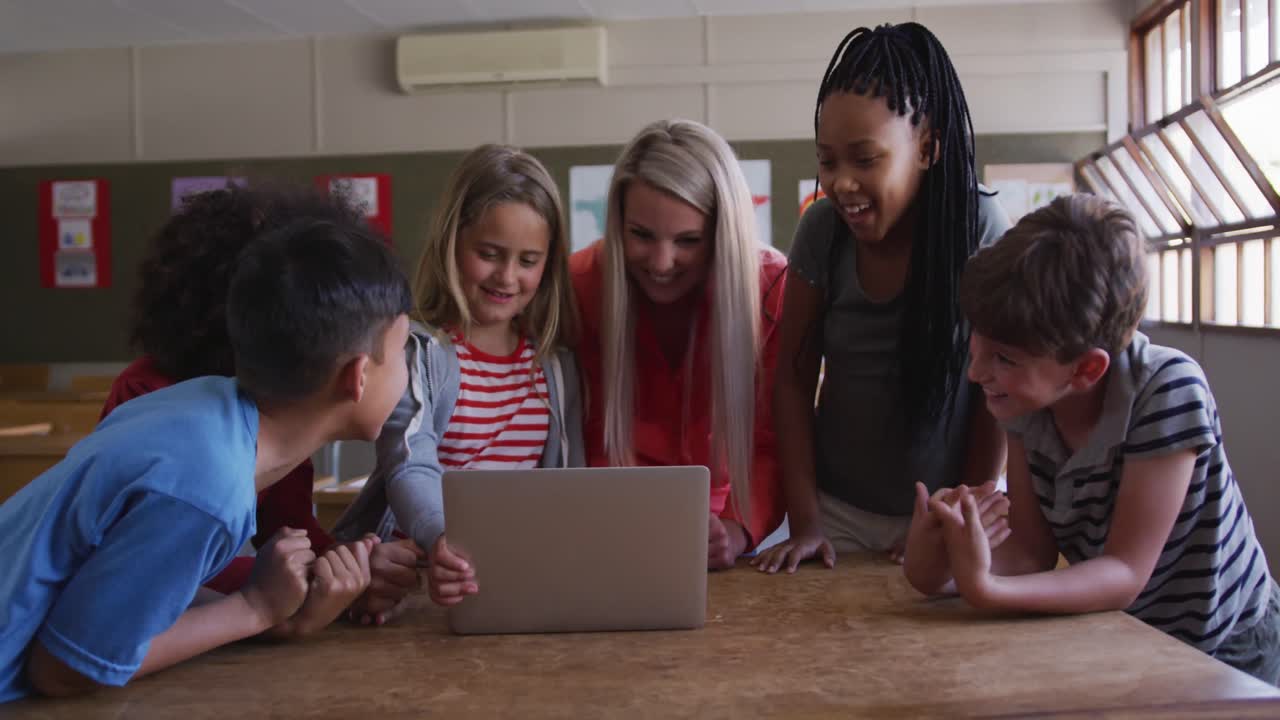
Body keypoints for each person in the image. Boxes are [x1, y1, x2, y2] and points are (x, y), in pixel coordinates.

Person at [0, 216, 413, 702]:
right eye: (404, 349)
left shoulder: (201, 408)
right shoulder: (207, 487)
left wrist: (275, 615)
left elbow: (121, 591)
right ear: (358, 376)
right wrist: (254, 608)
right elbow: (66, 669)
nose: (409, 369)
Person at [912, 194, 1279, 685]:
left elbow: (1124, 572)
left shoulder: (1165, 391)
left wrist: (987, 590)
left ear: (1086, 369)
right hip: (1130, 638)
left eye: (1004, 358)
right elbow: (1030, 551)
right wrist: (939, 562)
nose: (977, 372)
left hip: (1228, 649)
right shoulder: (1026, 401)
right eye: (978, 343)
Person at [754, 23, 1011, 573]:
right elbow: (794, 382)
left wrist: (958, 509)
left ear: (928, 148)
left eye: (865, 160)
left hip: (949, 506)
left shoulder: (979, 227)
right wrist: (806, 523)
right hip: (835, 512)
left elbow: (999, 393)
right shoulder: (822, 231)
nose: (842, 183)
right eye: (828, 161)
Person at [102, 185, 422, 627]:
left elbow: (289, 530)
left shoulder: (286, 408)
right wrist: (275, 597)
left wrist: (349, 570)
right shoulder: (161, 407)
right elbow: (138, 580)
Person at [331, 145, 583, 607]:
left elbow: (567, 482)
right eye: (489, 254)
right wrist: (442, 537)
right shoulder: (416, 351)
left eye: (528, 261)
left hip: (514, 584)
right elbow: (410, 461)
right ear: (453, 242)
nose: (507, 276)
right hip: (418, 578)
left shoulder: (556, 367)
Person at [568, 119, 787, 570]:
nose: (662, 263)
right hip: (607, 522)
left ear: (722, 235)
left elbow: (771, 440)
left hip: (718, 526)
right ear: (617, 223)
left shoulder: (770, 288)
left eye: (688, 240)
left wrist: (736, 529)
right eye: (641, 235)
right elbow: (585, 432)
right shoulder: (580, 285)